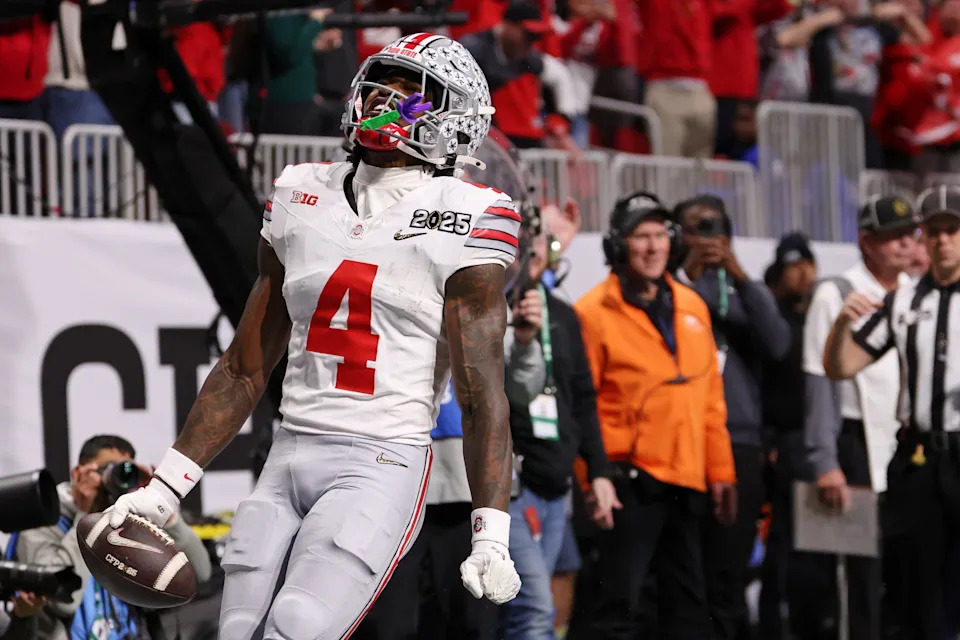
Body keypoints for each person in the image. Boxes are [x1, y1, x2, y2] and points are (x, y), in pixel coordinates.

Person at [106, 33, 523, 640]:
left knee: (296, 625)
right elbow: (246, 364)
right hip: (292, 446)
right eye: (382, 81)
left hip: (383, 458)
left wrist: (492, 530)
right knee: (239, 628)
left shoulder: (470, 212)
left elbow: (483, 391)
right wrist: (165, 487)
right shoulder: (303, 192)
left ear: (456, 117)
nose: (388, 96)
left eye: (413, 90)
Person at [571, 191, 737, 640]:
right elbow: (581, 406)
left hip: (687, 481)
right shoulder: (591, 312)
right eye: (640, 236)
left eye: (660, 234)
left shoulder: (693, 306)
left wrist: (721, 470)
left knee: (688, 609)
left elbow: (710, 400)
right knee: (619, 609)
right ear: (618, 245)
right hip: (627, 486)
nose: (653, 246)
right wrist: (592, 482)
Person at [822, 184, 960, 640]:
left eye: (952, 231)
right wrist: (842, 323)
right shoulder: (903, 301)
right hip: (920, 460)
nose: (942, 241)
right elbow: (841, 367)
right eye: (934, 232)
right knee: (916, 589)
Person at [672, 195, 790, 640]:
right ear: (680, 236)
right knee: (685, 568)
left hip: (739, 441)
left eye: (716, 229)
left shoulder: (745, 291)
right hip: (684, 438)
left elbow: (779, 344)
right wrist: (690, 271)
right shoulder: (673, 285)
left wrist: (738, 272)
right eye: (697, 229)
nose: (708, 239)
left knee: (730, 569)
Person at [803, 195, 918, 640]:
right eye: (893, 238)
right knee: (856, 577)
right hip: (851, 446)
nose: (905, 246)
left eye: (910, 236)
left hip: (904, 449)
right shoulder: (836, 293)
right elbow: (818, 379)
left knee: (903, 570)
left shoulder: (916, 295)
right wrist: (823, 460)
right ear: (866, 242)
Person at [501, 206, 618, 640]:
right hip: (511, 481)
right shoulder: (488, 303)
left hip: (556, 486)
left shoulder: (565, 316)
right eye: (523, 248)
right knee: (534, 609)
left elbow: (583, 400)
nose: (532, 258)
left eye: (541, 248)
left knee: (529, 610)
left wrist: (599, 473)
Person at [4, 435, 211, 640]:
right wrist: (87, 516)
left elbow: (200, 574)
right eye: (107, 469)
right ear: (78, 474)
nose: (115, 480)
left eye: (124, 471)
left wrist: (164, 509)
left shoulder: (126, 519)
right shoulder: (43, 522)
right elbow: (64, 601)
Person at [758, 233, 821, 640]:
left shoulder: (822, 313)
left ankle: (812, 624)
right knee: (781, 545)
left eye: (806, 264)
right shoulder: (772, 319)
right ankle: (771, 627)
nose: (802, 274)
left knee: (814, 546)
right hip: (782, 444)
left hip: (816, 445)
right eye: (792, 266)